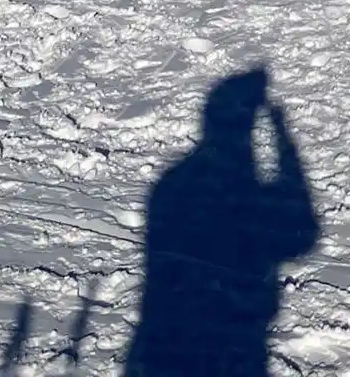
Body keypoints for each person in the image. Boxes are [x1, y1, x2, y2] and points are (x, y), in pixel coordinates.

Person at [125, 66, 320, 376]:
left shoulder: (171, 183)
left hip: (174, 345)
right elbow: (303, 234)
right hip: (233, 346)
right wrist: (284, 142)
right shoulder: (247, 194)